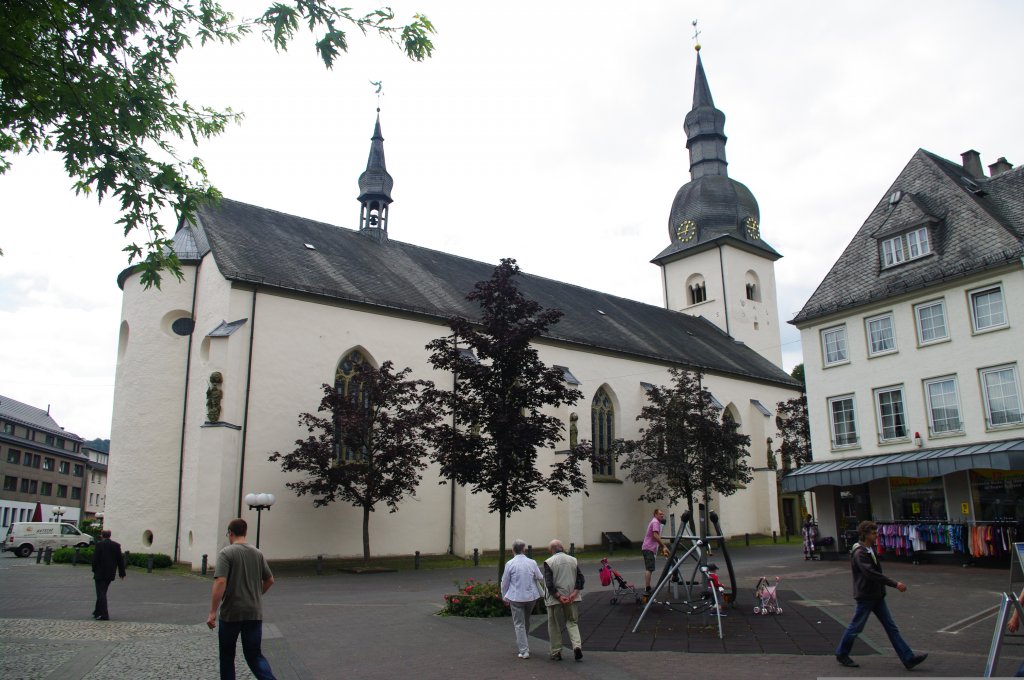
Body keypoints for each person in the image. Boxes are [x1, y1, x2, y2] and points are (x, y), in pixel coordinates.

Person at [835, 520, 927, 670]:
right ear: (865, 534)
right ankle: (842, 653)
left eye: (876, 532)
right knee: (856, 626)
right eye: (873, 533)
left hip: (876, 595)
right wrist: (895, 584)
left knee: (891, 628)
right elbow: (871, 573)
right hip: (866, 596)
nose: (876, 535)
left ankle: (908, 658)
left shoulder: (869, 550)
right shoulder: (860, 553)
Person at [207, 518, 277, 680]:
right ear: (245, 533)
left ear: (230, 533)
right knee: (254, 655)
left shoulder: (227, 553)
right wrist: (255, 595)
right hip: (254, 612)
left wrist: (212, 612)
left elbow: (220, 581)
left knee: (227, 655)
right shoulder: (257, 553)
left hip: (232, 612)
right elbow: (270, 580)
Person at [500, 539, 545, 659]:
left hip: (516, 597)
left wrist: (504, 596)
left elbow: (505, 582)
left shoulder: (510, 564)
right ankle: (524, 644)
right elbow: (540, 577)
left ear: (513, 550)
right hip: (531, 597)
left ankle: (524, 650)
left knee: (519, 623)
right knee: (526, 621)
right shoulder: (532, 562)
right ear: (524, 549)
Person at [543, 539, 584, 662]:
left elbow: (549, 584)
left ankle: (556, 652)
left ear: (551, 550)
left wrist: (559, 596)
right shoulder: (573, 560)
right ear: (562, 547)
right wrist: (574, 593)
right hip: (572, 597)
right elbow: (580, 579)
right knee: (572, 622)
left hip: (555, 599)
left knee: (554, 624)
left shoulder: (549, 562)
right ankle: (577, 646)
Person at [91, 529, 126, 620]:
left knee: (101, 593)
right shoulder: (116, 545)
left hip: (100, 572)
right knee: (103, 592)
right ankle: (97, 611)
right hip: (110, 573)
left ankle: (104, 614)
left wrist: (94, 569)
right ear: (110, 535)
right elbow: (120, 560)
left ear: (102, 535)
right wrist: (122, 573)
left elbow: (95, 559)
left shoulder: (99, 545)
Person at [642, 508, 670, 594]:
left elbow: (656, 536)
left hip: (648, 548)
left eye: (662, 514)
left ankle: (647, 587)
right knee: (649, 568)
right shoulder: (655, 522)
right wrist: (664, 546)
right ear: (655, 515)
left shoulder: (655, 522)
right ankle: (647, 588)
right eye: (660, 514)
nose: (662, 515)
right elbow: (655, 535)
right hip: (649, 548)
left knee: (649, 568)